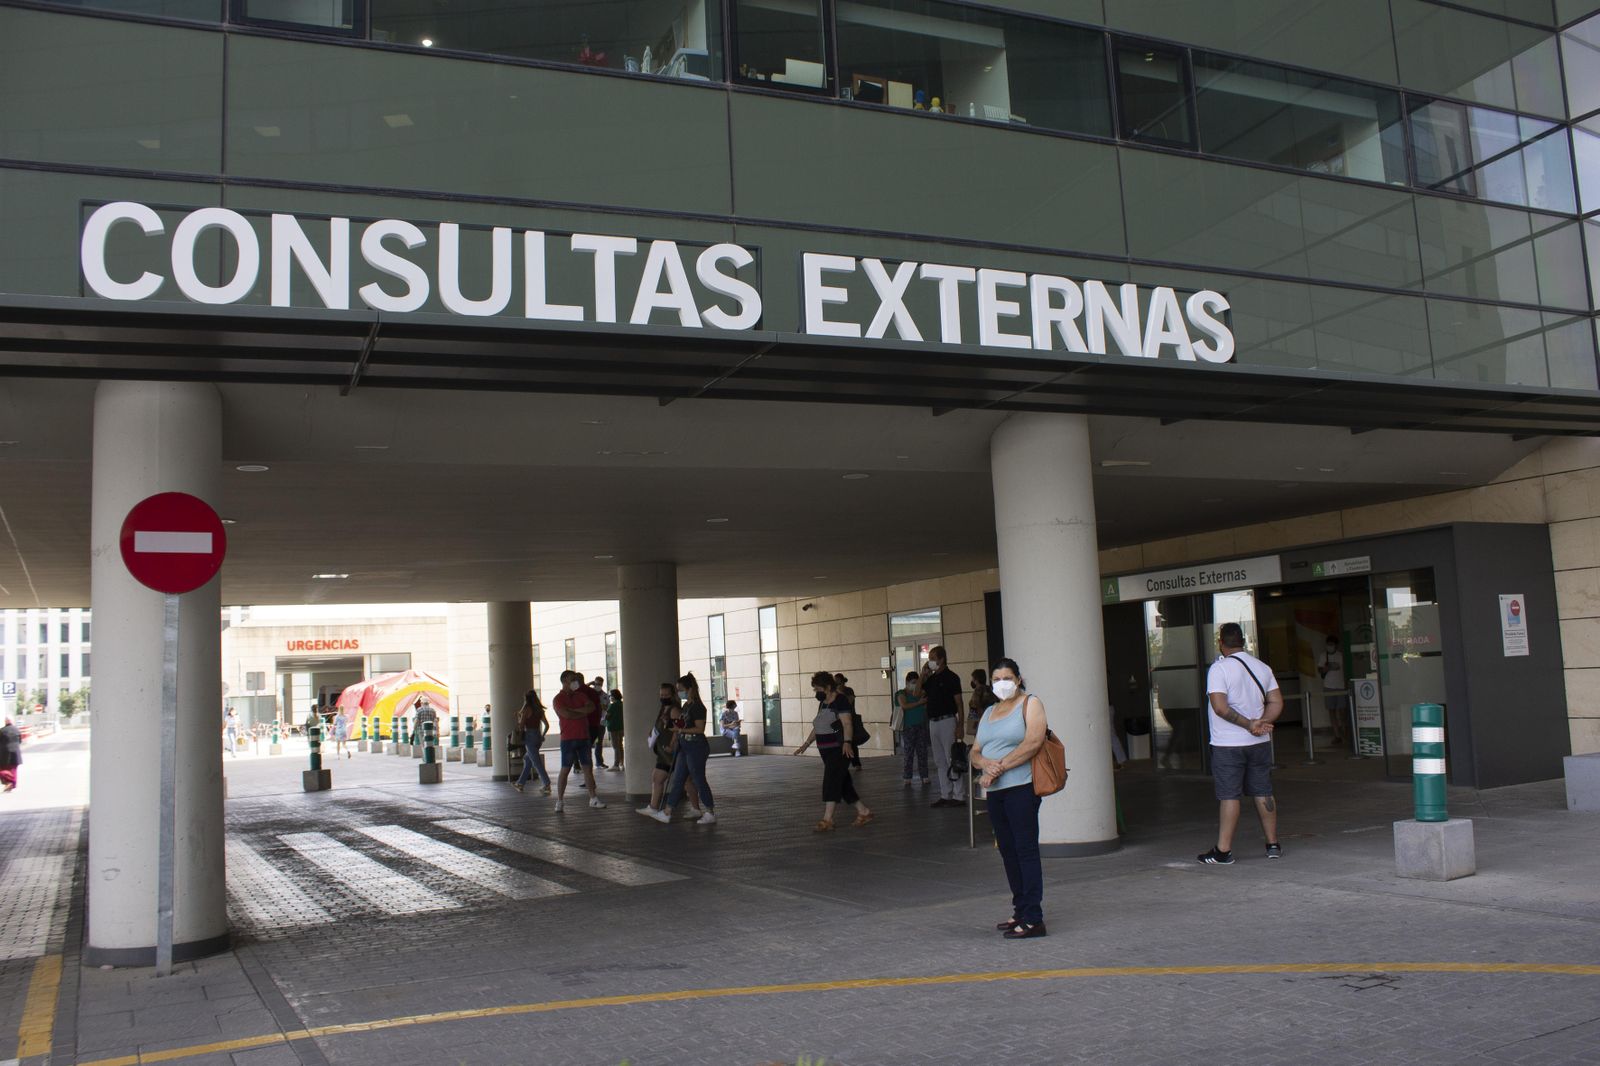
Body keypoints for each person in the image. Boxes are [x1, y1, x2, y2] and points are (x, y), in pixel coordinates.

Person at [971, 658, 1050, 939]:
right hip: (995, 792)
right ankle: (1020, 909)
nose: (1001, 683)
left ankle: (1034, 918)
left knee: (1025, 849)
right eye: (996, 679)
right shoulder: (989, 712)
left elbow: (1033, 742)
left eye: (1007, 678)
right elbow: (975, 751)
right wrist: (984, 764)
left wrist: (998, 768)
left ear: (1018, 679)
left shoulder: (1030, 703)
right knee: (1007, 850)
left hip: (1021, 788)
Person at [1199, 622, 1284, 865]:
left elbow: (1219, 707)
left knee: (1230, 795)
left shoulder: (1219, 669)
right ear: (1243, 642)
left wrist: (1249, 724)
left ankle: (1223, 851)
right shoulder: (1262, 667)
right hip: (1259, 743)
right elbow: (1276, 701)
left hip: (1227, 744)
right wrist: (1262, 723)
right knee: (1263, 791)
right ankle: (1273, 844)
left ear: (1220, 643)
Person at [793, 671, 873, 832]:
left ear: (828, 687)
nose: (816, 692)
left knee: (831, 781)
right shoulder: (823, 703)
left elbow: (847, 724)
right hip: (825, 750)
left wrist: (847, 743)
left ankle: (828, 819)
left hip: (839, 749)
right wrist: (806, 744)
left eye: (818, 689)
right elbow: (818, 726)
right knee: (842, 782)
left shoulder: (840, 700)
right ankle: (864, 811)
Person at [643, 672, 717, 825]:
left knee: (698, 779)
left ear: (690, 689)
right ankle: (667, 812)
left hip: (696, 747)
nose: (678, 693)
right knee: (678, 779)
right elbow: (682, 725)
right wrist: (671, 725)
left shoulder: (698, 707)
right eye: (677, 690)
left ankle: (710, 811)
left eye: (680, 689)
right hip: (684, 746)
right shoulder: (686, 706)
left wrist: (680, 730)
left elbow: (700, 729)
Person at [638, 683, 702, 818]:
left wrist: (672, 745)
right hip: (664, 752)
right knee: (657, 778)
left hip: (672, 752)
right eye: (661, 695)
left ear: (672, 695)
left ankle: (696, 808)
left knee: (686, 781)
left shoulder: (674, 710)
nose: (663, 697)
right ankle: (653, 807)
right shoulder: (664, 708)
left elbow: (677, 729)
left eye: (666, 695)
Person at [552, 670, 606, 812]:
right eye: (572, 679)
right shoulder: (558, 699)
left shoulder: (581, 695)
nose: (576, 682)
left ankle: (593, 798)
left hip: (584, 737)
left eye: (576, 679)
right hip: (568, 739)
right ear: (564, 681)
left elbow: (591, 707)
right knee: (565, 769)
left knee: (588, 769)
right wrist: (582, 711)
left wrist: (573, 711)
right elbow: (566, 714)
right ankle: (560, 801)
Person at [920, 646, 967, 808]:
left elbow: (959, 703)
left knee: (952, 757)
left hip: (948, 720)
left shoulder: (952, 677)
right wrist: (923, 675)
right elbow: (917, 694)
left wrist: (960, 725)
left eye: (933, 658)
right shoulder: (931, 679)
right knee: (940, 760)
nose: (930, 661)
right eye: (929, 658)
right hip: (933, 722)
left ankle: (959, 795)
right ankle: (945, 794)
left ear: (941, 659)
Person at [514, 689, 552, 794]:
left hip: (529, 737)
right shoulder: (539, 710)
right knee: (528, 759)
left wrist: (518, 718)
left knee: (536, 762)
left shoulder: (526, 709)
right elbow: (547, 725)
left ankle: (547, 784)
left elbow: (521, 726)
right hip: (537, 737)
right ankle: (520, 783)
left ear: (526, 699)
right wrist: (542, 736)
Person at [897, 671, 930, 786]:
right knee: (908, 752)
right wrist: (919, 703)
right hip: (908, 726)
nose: (915, 685)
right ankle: (907, 777)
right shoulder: (901, 693)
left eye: (917, 682)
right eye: (913, 682)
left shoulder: (921, 693)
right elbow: (904, 705)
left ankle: (924, 775)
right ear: (907, 682)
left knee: (922, 752)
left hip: (921, 725)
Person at [1318, 635, 1349, 748]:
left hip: (1340, 686)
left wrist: (1330, 666)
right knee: (1331, 711)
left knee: (1342, 711)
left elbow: (1338, 667)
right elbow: (1320, 670)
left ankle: (1345, 732)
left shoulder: (1340, 655)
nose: (1329, 646)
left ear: (1336, 645)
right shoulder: (1323, 655)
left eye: (1332, 644)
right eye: (1328, 644)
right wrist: (1327, 668)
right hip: (1328, 686)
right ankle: (1337, 735)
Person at [834, 673, 862, 769]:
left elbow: (849, 701)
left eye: (837, 682)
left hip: (850, 718)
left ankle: (856, 763)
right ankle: (843, 762)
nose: (836, 684)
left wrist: (839, 692)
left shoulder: (848, 690)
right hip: (838, 719)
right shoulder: (834, 692)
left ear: (842, 682)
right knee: (840, 741)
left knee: (851, 741)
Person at [589, 676, 611, 768]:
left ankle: (599, 762)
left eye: (600, 684)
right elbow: (580, 690)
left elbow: (608, 707)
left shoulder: (605, 696)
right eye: (596, 684)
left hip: (601, 722)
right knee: (588, 743)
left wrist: (603, 706)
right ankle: (587, 763)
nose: (598, 686)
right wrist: (589, 683)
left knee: (599, 742)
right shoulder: (589, 693)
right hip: (590, 723)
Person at [0, 715, 21, 792]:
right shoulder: (17, 730)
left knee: (3, 769)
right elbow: (20, 741)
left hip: (4, 754)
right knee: (13, 769)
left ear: (5, 721)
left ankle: (9, 782)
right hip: (16, 753)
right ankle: (11, 784)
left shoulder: (2, 730)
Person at [606, 689, 625, 771]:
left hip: (613, 728)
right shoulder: (622, 704)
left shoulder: (613, 705)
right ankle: (621, 763)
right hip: (621, 727)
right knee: (620, 746)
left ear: (613, 696)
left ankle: (616, 764)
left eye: (610, 696)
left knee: (616, 746)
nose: (609, 697)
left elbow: (607, 716)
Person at [968, 669, 992, 736]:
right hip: (988, 719)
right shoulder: (989, 689)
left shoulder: (978, 690)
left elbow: (976, 704)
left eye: (973, 678)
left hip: (978, 720)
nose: (972, 681)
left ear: (976, 679)